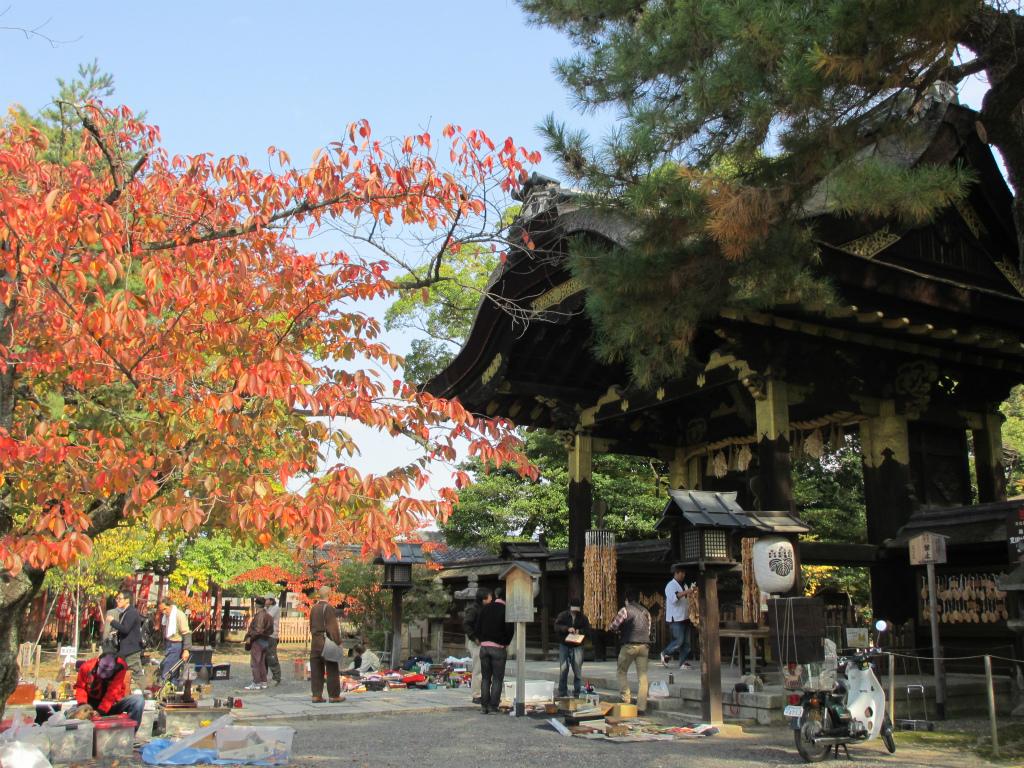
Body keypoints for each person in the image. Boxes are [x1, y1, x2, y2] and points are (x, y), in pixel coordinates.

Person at [72, 652, 145, 731]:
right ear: (98, 661)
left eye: (108, 670)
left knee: (138, 700)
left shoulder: (120, 667)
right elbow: (80, 688)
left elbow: (112, 692)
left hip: (110, 705)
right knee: (69, 713)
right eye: (102, 668)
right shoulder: (86, 667)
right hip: (90, 705)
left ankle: (129, 733)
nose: (104, 673)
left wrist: (100, 711)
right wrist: (83, 706)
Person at [608, 587, 652, 714]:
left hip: (629, 645)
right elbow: (648, 631)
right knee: (642, 676)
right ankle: (641, 707)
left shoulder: (625, 610)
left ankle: (626, 699)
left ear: (627, 600)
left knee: (621, 671)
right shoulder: (646, 612)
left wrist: (616, 630)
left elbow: (614, 626)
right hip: (644, 646)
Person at [474, 588, 514, 714]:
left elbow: (477, 627)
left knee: (486, 678)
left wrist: (482, 639)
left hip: (484, 647)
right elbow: (509, 630)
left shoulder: (485, 608)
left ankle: (484, 706)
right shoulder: (506, 610)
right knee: (497, 678)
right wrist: (506, 642)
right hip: (498, 648)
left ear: (497, 596)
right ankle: (493, 706)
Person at [309, 586, 346, 704]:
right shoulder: (328, 607)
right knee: (332, 668)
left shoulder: (314, 608)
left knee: (316, 669)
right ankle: (334, 696)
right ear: (329, 595)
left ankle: (316, 695)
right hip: (326, 641)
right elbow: (332, 627)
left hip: (315, 641)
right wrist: (338, 641)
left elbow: (311, 625)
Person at [554, 597, 591, 699]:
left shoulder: (583, 618)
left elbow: (588, 630)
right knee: (563, 669)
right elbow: (556, 627)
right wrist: (567, 629)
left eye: (576, 610)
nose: (575, 611)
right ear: (569, 607)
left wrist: (580, 631)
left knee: (577, 670)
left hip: (577, 645)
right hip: (565, 644)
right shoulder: (563, 615)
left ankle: (577, 692)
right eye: (573, 609)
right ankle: (562, 691)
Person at [660, 564, 693, 669]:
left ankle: (682, 663)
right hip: (676, 618)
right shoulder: (670, 585)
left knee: (687, 643)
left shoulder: (684, 585)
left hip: (685, 616)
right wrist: (687, 591)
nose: (683, 575)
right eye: (681, 573)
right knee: (679, 641)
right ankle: (665, 653)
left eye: (684, 573)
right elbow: (674, 598)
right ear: (676, 573)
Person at [462, 587, 491, 703]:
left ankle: (485, 693)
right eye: (490, 597)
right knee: (478, 669)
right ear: (484, 599)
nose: (491, 599)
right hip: (476, 642)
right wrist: (474, 637)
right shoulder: (473, 609)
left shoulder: (486, 608)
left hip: (486, 641)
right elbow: (466, 624)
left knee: (487, 670)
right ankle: (476, 695)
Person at [110, 591, 144, 687]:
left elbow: (125, 629)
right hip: (125, 649)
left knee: (136, 673)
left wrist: (112, 621)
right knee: (120, 672)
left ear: (127, 600)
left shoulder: (132, 612)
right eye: (116, 599)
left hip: (131, 649)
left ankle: (144, 691)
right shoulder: (125, 612)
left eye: (120, 599)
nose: (117, 601)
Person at [158, 597, 191, 683]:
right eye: (162, 610)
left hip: (177, 645)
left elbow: (186, 633)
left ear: (170, 606)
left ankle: (164, 686)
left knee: (167, 670)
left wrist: (186, 650)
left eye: (165, 609)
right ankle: (173, 687)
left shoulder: (179, 615)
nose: (164, 612)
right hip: (169, 644)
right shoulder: (166, 616)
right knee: (172, 672)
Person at [244, 597, 274, 690]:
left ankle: (256, 682)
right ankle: (263, 682)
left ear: (257, 605)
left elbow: (258, 630)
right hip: (265, 640)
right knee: (262, 662)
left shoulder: (259, 615)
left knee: (255, 662)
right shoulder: (268, 615)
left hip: (257, 641)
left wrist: (250, 638)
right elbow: (271, 630)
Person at [265, 597, 282, 686]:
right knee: (264, 657)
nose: (265, 601)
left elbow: (267, 617)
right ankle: (263, 677)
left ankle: (276, 677)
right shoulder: (266, 608)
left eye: (266, 599)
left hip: (272, 635)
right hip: (265, 635)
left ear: (271, 600)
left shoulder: (275, 608)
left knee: (272, 656)